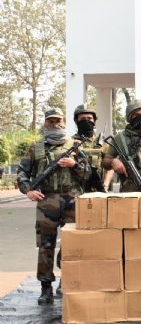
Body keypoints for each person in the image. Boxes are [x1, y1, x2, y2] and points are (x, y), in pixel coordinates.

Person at [17, 108, 90, 305]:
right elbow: (22, 173)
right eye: (51, 121)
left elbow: (88, 173)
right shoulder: (36, 147)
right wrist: (28, 191)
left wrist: (74, 164)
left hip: (71, 199)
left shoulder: (74, 146)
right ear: (44, 124)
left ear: (64, 123)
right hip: (46, 200)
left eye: (58, 121)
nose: (54, 124)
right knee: (45, 245)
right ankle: (46, 288)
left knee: (72, 244)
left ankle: (67, 280)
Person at [72, 104, 114, 193]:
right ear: (76, 120)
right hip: (75, 192)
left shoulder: (103, 144)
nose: (86, 121)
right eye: (82, 119)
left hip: (97, 192)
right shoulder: (69, 142)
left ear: (94, 121)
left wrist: (105, 185)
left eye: (89, 119)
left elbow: (109, 168)